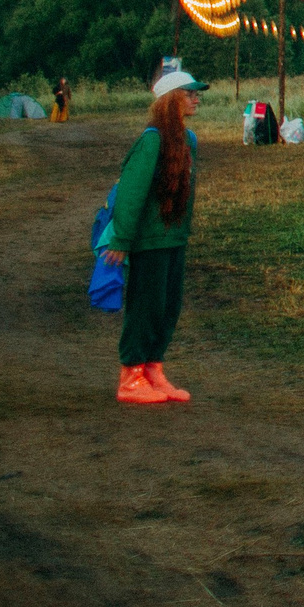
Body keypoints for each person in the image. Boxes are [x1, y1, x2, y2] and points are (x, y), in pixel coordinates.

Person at [105, 69, 204, 404]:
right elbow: (131, 192)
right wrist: (122, 239)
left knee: (168, 306)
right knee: (146, 306)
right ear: (171, 100)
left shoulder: (187, 140)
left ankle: (152, 369)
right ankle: (130, 377)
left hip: (173, 237)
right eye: (189, 94)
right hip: (149, 239)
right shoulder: (151, 140)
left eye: (196, 94)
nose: (196, 99)